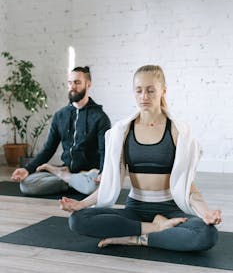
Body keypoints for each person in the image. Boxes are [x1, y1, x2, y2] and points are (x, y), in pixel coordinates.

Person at [59, 65, 222, 251]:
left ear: (163, 91)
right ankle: (154, 229)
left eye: (150, 90)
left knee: (207, 234)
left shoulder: (178, 131)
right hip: (134, 209)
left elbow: (188, 186)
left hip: (170, 209)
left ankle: (136, 238)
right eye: (139, 90)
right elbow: (110, 183)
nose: (144, 96)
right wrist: (81, 204)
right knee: (78, 219)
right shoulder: (123, 131)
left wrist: (206, 213)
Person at [11, 66, 111, 196]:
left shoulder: (100, 117)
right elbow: (48, 149)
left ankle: (67, 178)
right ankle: (69, 179)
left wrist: (103, 173)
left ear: (88, 84)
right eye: (70, 82)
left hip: (90, 173)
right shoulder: (60, 116)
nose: (72, 86)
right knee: (26, 185)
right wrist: (27, 169)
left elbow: (105, 151)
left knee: (95, 185)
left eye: (77, 82)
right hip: (68, 170)